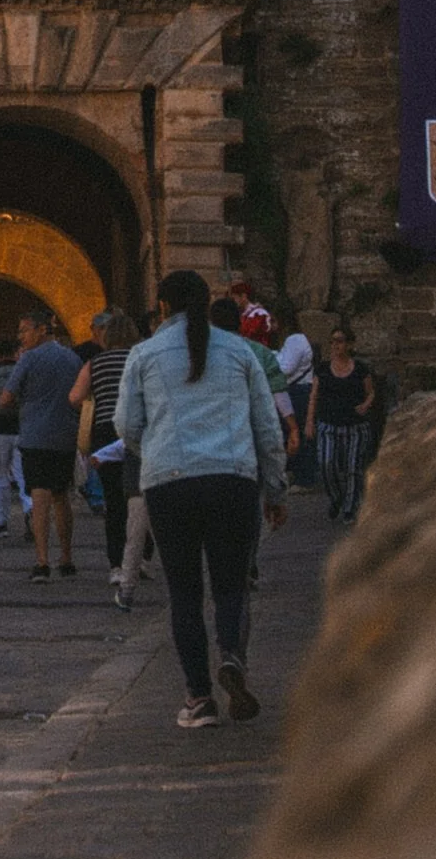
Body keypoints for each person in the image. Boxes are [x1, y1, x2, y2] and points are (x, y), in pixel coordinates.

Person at [117, 267, 287, 732]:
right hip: (232, 479)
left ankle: (198, 698)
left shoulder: (144, 355)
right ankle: (230, 653)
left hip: (169, 483)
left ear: (164, 308)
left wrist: (153, 450)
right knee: (231, 585)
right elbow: (267, 427)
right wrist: (274, 488)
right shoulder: (240, 352)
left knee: (185, 594)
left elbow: (126, 424)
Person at [0, 304, 84, 580]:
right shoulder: (72, 358)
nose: (20, 336)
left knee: (39, 496)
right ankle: (67, 557)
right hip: (65, 435)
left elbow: (6, 398)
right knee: (61, 497)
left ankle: (42, 560)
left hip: (35, 436)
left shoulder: (28, 359)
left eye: (24, 330)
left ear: (40, 329)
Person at [77, 308, 149, 604]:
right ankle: (144, 557)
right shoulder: (139, 358)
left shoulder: (95, 363)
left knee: (113, 500)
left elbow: (74, 396)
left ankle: (117, 565)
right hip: (136, 430)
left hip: (105, 430)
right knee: (142, 494)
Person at [313, 321, 379, 525]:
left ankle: (350, 507)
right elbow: (314, 396)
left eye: (340, 341)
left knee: (353, 468)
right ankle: (337, 497)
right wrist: (309, 422)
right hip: (329, 424)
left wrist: (366, 405)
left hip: (355, 425)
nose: (335, 345)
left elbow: (371, 393)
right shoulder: (323, 369)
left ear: (349, 344)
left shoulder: (360, 369)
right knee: (327, 464)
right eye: (332, 342)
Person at [0, 341, 28, 539]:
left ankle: (0, 523)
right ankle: (30, 513)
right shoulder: (22, 370)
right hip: (22, 428)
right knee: (24, 476)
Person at [279, 309, 318, 486]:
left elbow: (286, 368)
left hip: (299, 391)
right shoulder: (297, 340)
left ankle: (304, 478)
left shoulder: (294, 340)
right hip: (298, 390)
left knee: (299, 432)